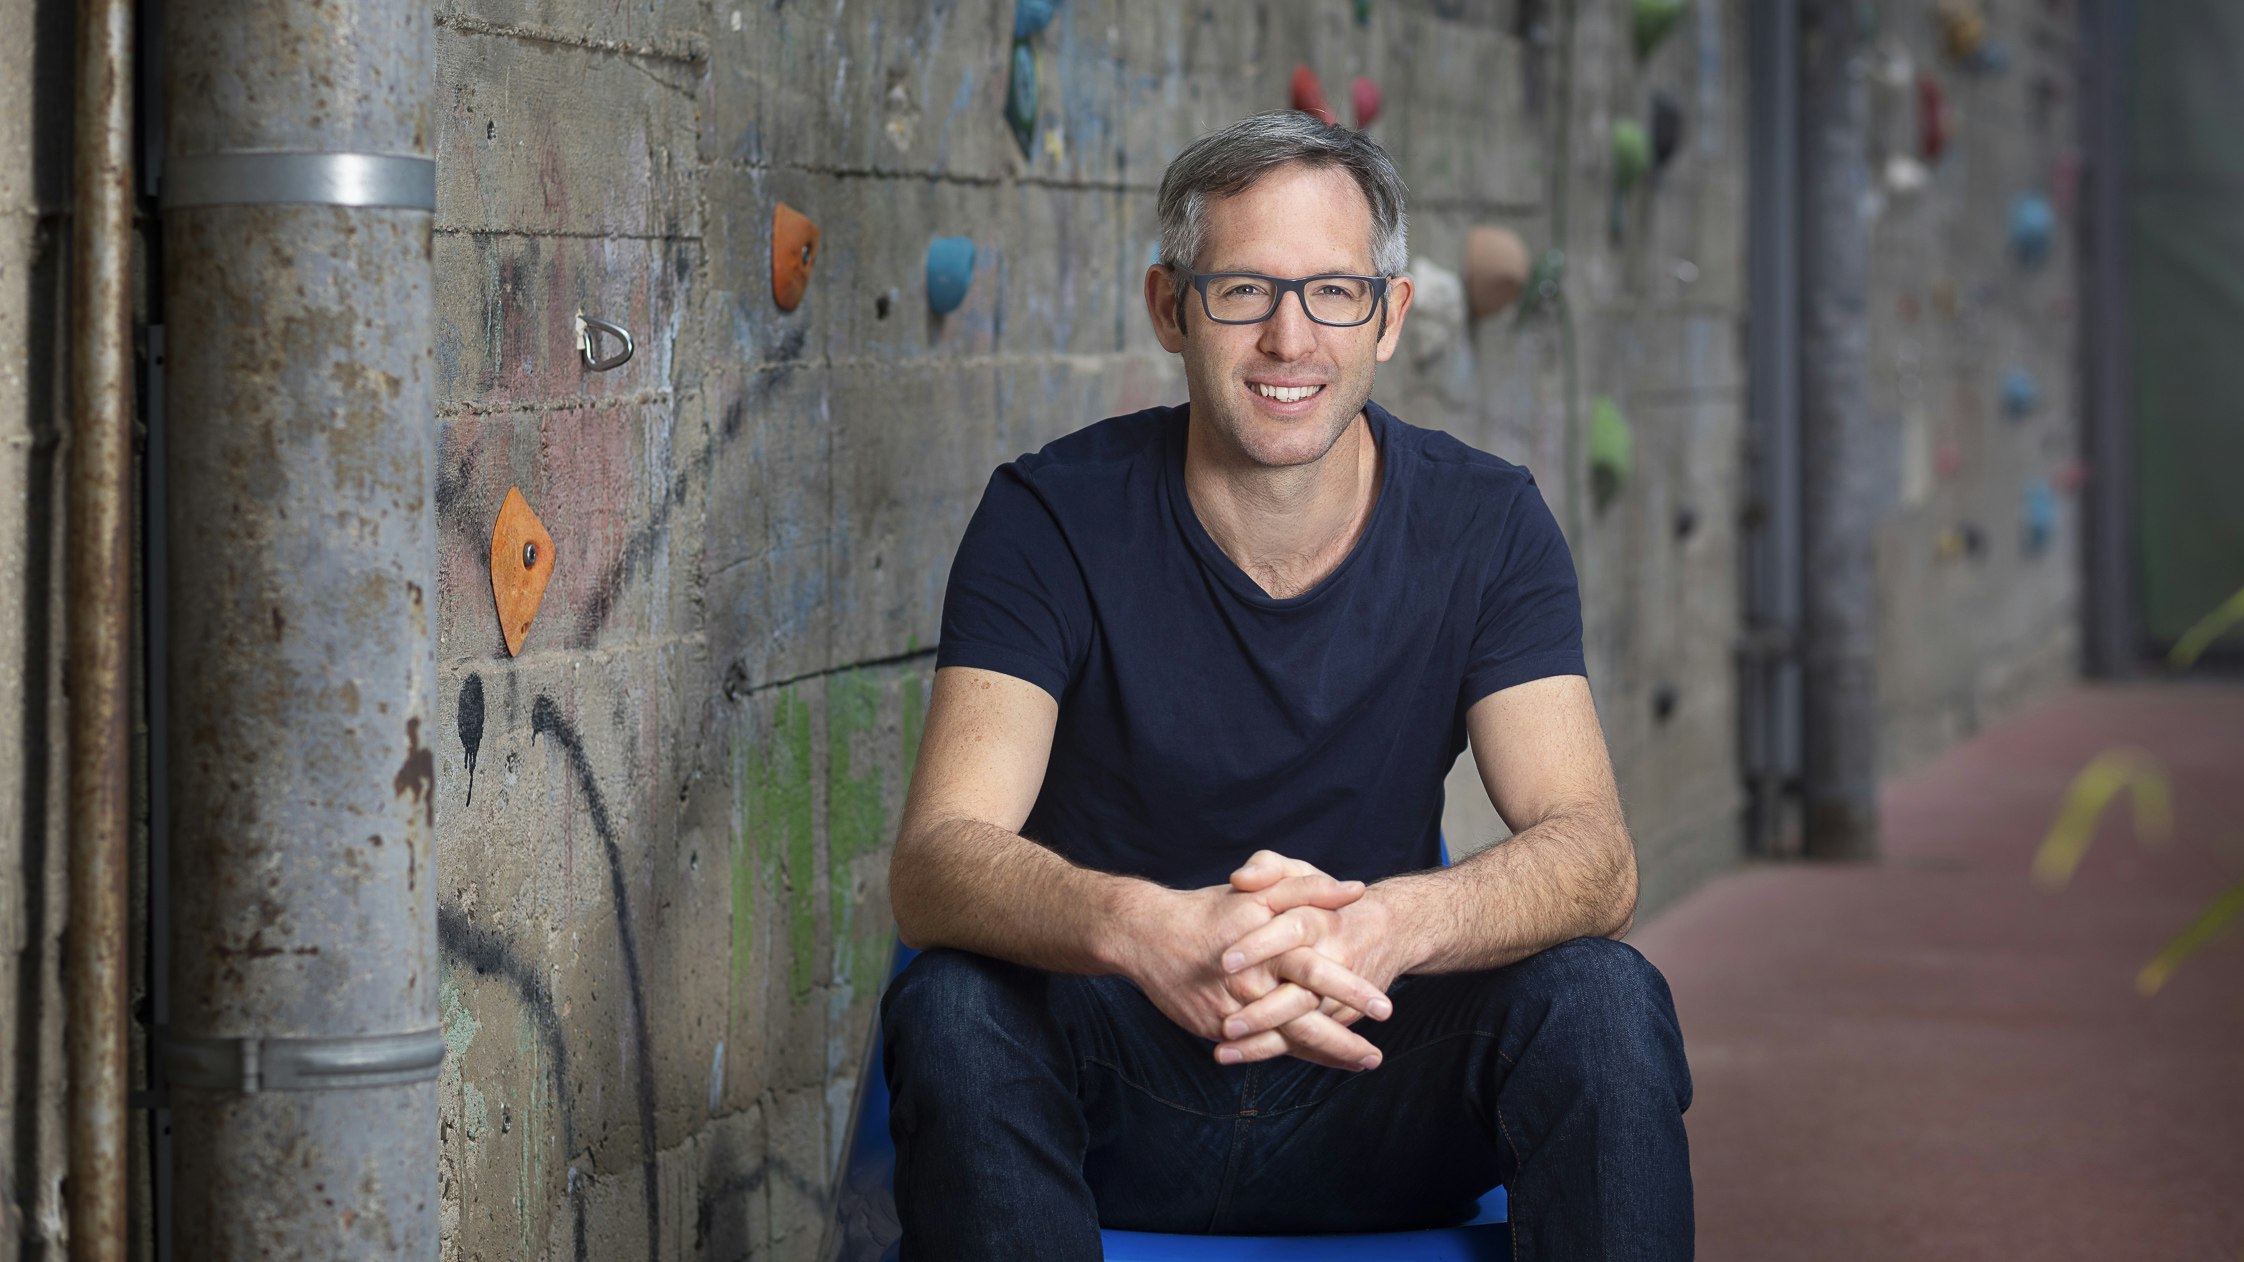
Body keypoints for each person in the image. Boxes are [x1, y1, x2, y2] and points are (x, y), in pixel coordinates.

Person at [881, 111, 1693, 1260]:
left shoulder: (1486, 522)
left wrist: (1387, 924)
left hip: (1374, 1081)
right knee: (954, 1007)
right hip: (1120, 1087)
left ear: (1391, 317)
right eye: (1243, 290)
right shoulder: (1050, 517)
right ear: (1171, 308)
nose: (1288, 337)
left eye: (1333, 293)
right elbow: (936, 862)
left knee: (1605, 999)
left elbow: (1594, 857)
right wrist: (1147, 927)